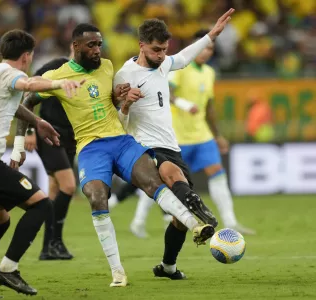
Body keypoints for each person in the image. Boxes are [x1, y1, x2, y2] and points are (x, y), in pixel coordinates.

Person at [13, 23, 216, 287]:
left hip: (121, 141)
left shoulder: (109, 67)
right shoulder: (60, 75)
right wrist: (24, 138)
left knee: (153, 182)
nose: (98, 50)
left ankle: (194, 226)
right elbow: (26, 101)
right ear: (76, 46)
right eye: (91, 45)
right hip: (90, 147)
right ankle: (117, 271)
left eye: (99, 44)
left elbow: (111, 100)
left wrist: (121, 98)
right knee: (97, 198)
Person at [0, 29, 83, 299]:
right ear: (26, 56)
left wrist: (37, 121)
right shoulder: (11, 75)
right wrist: (59, 84)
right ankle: (7, 269)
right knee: (42, 204)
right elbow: (29, 85)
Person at [114, 9, 235, 280]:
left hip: (171, 145)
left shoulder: (165, 63)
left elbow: (183, 57)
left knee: (179, 221)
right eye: (156, 50)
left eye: (164, 50)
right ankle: (197, 206)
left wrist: (211, 35)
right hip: (143, 146)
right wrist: (126, 104)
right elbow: (118, 122)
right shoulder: (125, 75)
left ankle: (168, 267)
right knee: (171, 173)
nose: (161, 55)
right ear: (141, 45)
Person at [169, 29, 256, 235]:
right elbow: (169, 93)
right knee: (169, 179)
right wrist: (184, 104)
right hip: (179, 136)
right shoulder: (179, 68)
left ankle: (231, 221)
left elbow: (209, 107)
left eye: (210, 48)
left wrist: (217, 135)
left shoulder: (209, 72)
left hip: (202, 135)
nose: (206, 52)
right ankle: (139, 221)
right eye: (203, 47)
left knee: (217, 172)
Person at [23, 55, 77, 261]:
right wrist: (29, 129)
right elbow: (29, 93)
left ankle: (49, 247)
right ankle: (54, 242)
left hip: (71, 137)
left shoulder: (91, 73)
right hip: (49, 133)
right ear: (75, 47)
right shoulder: (56, 66)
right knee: (69, 186)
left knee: (55, 190)